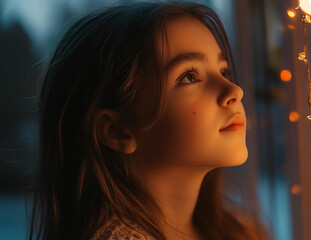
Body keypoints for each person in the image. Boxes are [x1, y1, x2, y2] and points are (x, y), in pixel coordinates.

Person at [29, 1, 269, 240]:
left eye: (223, 72)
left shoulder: (241, 232)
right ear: (117, 131)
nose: (234, 91)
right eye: (189, 76)